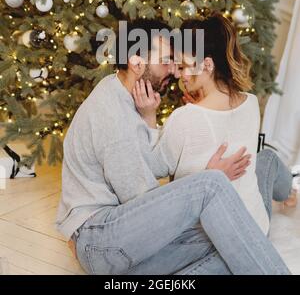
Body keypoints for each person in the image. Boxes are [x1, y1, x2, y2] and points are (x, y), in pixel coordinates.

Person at [56, 19, 290, 275]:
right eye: (166, 60)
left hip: (118, 236)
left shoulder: (120, 90)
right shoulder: (113, 116)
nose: (175, 71)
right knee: (212, 189)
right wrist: (206, 177)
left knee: (233, 238)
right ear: (137, 62)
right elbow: (143, 200)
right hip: (103, 241)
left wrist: (149, 116)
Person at [134, 14, 295, 239]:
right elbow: (219, 129)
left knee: (266, 160)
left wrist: (148, 115)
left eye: (183, 66)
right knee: (266, 159)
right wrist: (200, 104)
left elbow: (152, 167)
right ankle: (290, 191)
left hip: (217, 237)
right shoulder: (249, 102)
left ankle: (289, 189)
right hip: (257, 223)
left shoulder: (185, 118)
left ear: (207, 64)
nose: (179, 74)